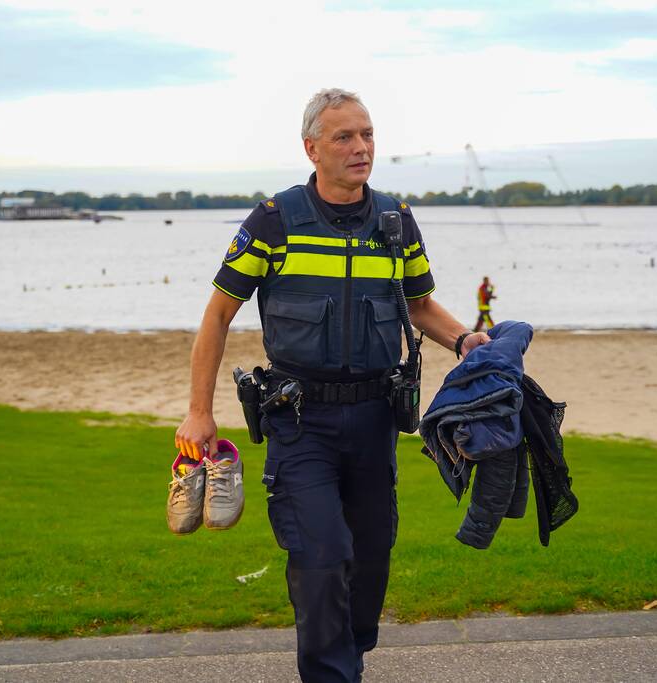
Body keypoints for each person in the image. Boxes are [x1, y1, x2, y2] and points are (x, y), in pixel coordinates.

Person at [174, 88, 490, 683]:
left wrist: (466, 340)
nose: (361, 147)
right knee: (321, 558)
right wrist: (199, 413)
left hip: (374, 419)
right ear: (311, 148)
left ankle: (348, 658)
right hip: (300, 423)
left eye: (367, 134)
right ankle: (333, 674)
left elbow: (419, 304)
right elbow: (217, 315)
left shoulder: (396, 220)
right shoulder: (274, 220)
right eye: (345, 137)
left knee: (370, 559)